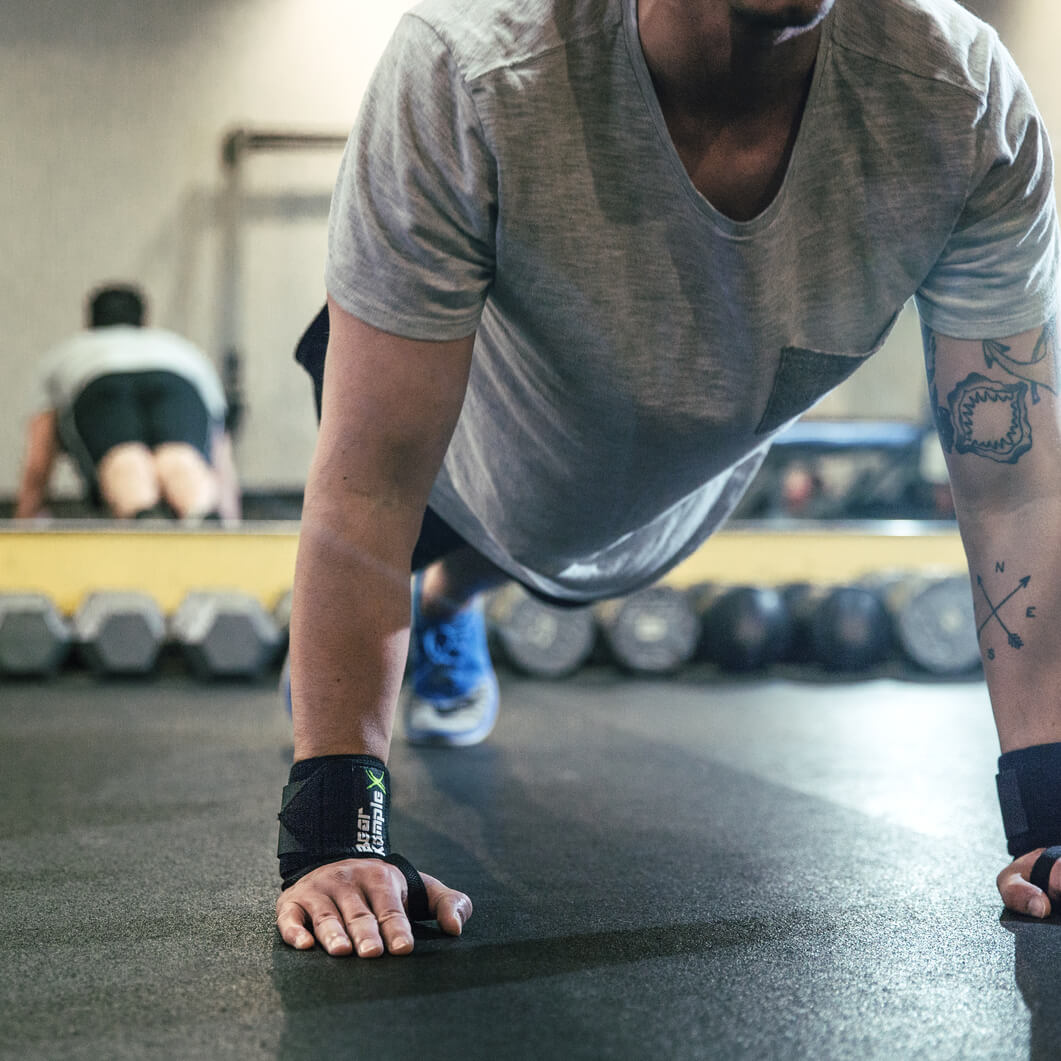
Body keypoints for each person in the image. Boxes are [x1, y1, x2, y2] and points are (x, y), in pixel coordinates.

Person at [275, 0, 1061, 959]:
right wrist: (335, 826)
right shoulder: (469, 68)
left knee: (547, 538)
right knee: (426, 542)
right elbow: (368, 489)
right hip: (462, 423)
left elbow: (1013, 486)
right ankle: (414, 616)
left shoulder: (963, 104)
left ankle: (445, 608)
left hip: (653, 478)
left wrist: (1051, 816)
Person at [15, 284, 240, 522]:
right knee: (179, 460)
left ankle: (144, 516)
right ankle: (199, 512)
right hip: (177, 382)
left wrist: (22, 526)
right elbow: (221, 458)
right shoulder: (183, 350)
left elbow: (39, 459)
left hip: (99, 383)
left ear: (89, 323)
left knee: (126, 461)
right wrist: (234, 527)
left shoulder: (68, 352)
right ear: (144, 321)